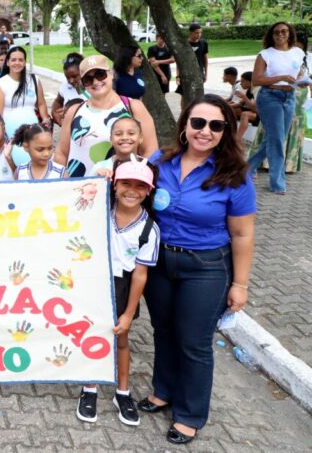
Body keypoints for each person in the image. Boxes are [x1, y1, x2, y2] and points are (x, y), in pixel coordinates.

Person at [141, 94, 256, 444]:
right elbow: (130, 187)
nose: (205, 131)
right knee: (163, 330)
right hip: (159, 262)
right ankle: (164, 390)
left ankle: (190, 414)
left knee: (193, 341)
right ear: (185, 125)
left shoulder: (235, 175)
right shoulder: (161, 161)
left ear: (225, 131)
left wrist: (240, 284)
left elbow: (242, 234)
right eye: (198, 122)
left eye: (216, 125)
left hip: (206, 268)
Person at [76, 155, 159, 427]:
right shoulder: (100, 210)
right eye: (125, 183)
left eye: (140, 185)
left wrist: (128, 313)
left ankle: (122, 392)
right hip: (93, 281)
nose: (131, 191)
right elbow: (77, 197)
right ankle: (89, 387)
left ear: (149, 191)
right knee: (91, 334)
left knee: (121, 339)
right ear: (115, 185)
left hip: (122, 287)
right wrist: (98, 178)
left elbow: (140, 274)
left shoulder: (149, 229)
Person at [55, 55, 158, 178]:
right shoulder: (74, 111)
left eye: (100, 74)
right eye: (88, 79)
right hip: (79, 186)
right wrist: (61, 182)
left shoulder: (133, 107)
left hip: (120, 185)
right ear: (82, 83)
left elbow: (150, 150)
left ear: (111, 74)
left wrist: (137, 178)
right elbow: (61, 153)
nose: (95, 82)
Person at [247, 22, 308, 193]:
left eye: (284, 31)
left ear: (289, 34)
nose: (280, 34)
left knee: (276, 138)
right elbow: (257, 79)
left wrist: (301, 81)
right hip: (270, 98)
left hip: (290, 97)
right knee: (276, 141)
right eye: (276, 32)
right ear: (271, 35)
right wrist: (280, 78)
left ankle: (246, 168)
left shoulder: (298, 52)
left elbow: (298, 74)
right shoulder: (265, 54)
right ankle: (277, 183)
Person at [0, 46, 49, 128]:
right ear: (7, 62)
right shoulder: (0, 84)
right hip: (9, 132)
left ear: (25, 62)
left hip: (34, 132)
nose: (17, 63)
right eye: (13, 60)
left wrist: (45, 119)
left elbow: (41, 103)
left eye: (21, 60)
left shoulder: (34, 80)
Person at [175, 24, 209, 105]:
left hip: (199, 73)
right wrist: (178, 76)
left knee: (198, 95)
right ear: (190, 33)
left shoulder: (203, 43)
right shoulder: (184, 44)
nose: (199, 35)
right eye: (196, 33)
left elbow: (205, 60)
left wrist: (205, 74)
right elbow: (179, 62)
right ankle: (184, 111)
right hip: (185, 74)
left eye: (200, 33)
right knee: (184, 95)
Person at [51, 53, 86, 127]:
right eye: (67, 77)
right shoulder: (65, 87)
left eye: (75, 76)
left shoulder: (94, 87)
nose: (71, 81)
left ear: (83, 72)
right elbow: (58, 101)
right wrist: (58, 118)